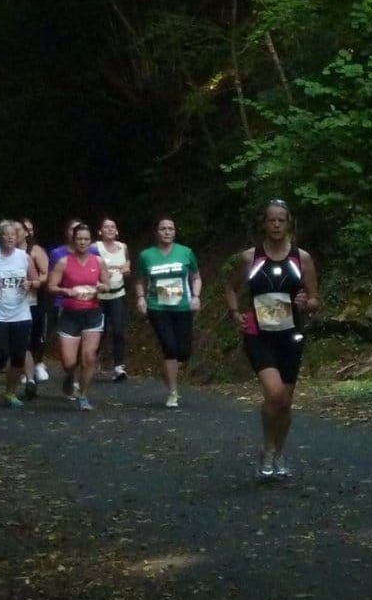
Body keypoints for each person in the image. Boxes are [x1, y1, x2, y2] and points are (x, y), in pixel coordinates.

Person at [224, 200, 319, 480]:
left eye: (281, 220)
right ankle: (267, 448)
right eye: (271, 221)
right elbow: (231, 288)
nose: (276, 225)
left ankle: (279, 452)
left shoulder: (301, 258)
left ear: (289, 223)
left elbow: (315, 299)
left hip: (290, 335)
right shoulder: (249, 258)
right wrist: (234, 313)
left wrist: (307, 302)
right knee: (275, 394)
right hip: (259, 335)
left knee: (286, 402)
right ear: (263, 224)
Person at [135, 216, 201, 408]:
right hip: (158, 307)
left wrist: (196, 296)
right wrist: (140, 298)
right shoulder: (146, 255)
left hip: (182, 306)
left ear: (175, 232)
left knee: (184, 351)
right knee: (170, 348)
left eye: (170, 229)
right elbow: (139, 281)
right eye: (163, 228)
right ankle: (173, 392)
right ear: (156, 232)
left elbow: (196, 277)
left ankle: (167, 369)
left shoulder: (185, 252)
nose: (167, 232)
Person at [46, 222, 104, 411]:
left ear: (91, 241)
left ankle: (83, 395)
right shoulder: (64, 261)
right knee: (69, 361)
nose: (83, 242)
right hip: (70, 314)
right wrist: (67, 291)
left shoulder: (98, 261)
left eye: (86, 239)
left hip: (92, 313)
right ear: (74, 239)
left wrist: (101, 288)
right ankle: (70, 374)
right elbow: (51, 286)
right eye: (79, 238)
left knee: (89, 357)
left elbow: (107, 283)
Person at [0, 221, 37, 407]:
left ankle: (10, 392)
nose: (10, 237)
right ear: (0, 238)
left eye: (13, 234)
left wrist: (29, 284)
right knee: (0, 353)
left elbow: (36, 280)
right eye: (6, 234)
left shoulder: (25, 257)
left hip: (20, 313)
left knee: (18, 356)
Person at [94, 217, 131, 381]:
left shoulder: (123, 247)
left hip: (117, 294)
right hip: (99, 296)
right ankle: (90, 361)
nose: (109, 229)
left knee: (118, 330)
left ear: (117, 231)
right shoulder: (95, 247)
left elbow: (127, 266)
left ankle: (119, 367)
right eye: (106, 227)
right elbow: (86, 266)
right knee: (98, 331)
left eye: (112, 227)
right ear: (100, 231)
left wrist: (126, 271)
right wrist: (99, 277)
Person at [20, 219, 51, 395]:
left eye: (20, 230)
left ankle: (37, 363)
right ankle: (25, 369)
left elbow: (46, 273)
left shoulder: (35, 250)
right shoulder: (5, 252)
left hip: (35, 299)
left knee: (36, 335)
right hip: (14, 301)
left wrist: (34, 282)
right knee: (20, 337)